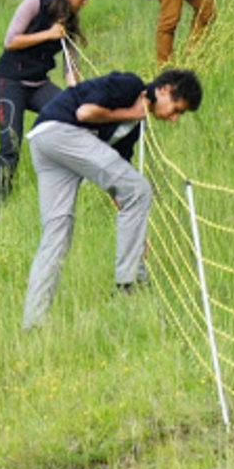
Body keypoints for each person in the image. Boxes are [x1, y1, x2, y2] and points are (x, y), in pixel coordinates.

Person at [21, 69, 202, 328]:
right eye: (176, 109)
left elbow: (117, 177)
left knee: (56, 236)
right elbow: (85, 113)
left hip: (45, 142)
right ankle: (129, 284)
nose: (174, 118)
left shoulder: (136, 129)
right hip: (60, 131)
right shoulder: (130, 86)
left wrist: (136, 232)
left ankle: (33, 323)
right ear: (164, 89)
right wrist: (130, 113)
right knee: (140, 189)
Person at [0, 0, 95, 210]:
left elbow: (71, 68)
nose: (85, 3)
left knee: (74, 118)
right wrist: (48, 34)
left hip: (39, 85)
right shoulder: (33, 5)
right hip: (9, 83)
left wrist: (74, 94)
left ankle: (75, 181)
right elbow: (10, 41)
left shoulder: (69, 23)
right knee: (10, 146)